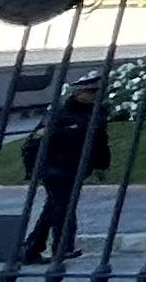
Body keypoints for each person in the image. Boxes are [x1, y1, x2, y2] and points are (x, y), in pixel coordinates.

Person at [20, 74, 113, 263]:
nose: (95, 95)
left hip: (76, 169)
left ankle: (30, 249)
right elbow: (34, 143)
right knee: (64, 209)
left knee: (53, 209)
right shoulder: (59, 114)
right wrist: (36, 170)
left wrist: (101, 164)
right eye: (90, 91)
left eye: (97, 91)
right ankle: (62, 248)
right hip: (55, 169)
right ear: (78, 93)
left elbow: (99, 141)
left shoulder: (97, 113)